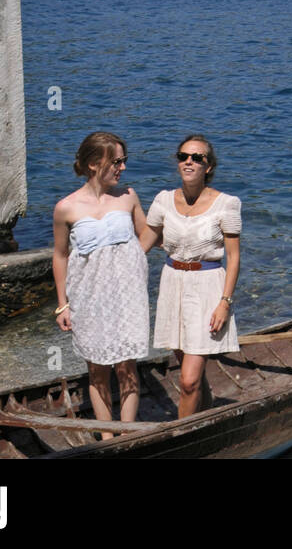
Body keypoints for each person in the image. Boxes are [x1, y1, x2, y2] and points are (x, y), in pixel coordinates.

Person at [52, 132, 151, 437]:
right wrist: (62, 304)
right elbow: (60, 256)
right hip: (88, 296)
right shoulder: (66, 208)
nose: (122, 167)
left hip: (126, 294)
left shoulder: (128, 196)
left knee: (126, 367)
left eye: (124, 160)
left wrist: (131, 262)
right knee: (97, 370)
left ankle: (128, 433)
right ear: (94, 164)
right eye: (116, 161)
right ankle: (107, 437)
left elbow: (147, 234)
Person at [141, 135, 241, 418]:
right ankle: (205, 416)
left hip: (208, 287)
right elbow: (142, 245)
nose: (189, 161)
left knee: (187, 381)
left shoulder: (227, 204)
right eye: (183, 156)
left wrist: (225, 301)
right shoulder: (163, 200)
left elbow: (233, 257)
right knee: (190, 375)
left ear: (208, 167)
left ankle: (181, 439)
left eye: (197, 158)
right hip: (173, 284)